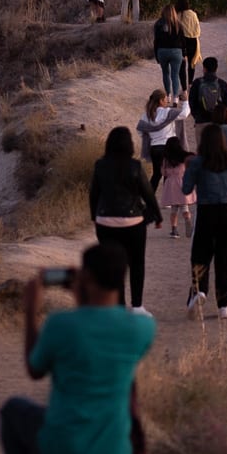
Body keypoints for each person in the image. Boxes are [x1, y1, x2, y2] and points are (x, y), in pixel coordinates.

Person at [0, 242, 156, 454]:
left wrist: (31, 312)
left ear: (87, 278)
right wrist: (85, 297)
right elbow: (100, 334)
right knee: (123, 429)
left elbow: (34, 369)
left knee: (12, 411)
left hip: (61, 452)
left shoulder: (60, 325)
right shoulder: (143, 329)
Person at [89, 126, 162, 314]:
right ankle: (137, 306)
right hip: (133, 222)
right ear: (129, 144)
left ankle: (119, 306)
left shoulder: (100, 165)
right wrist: (158, 216)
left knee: (113, 265)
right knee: (136, 264)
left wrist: (94, 217)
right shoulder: (135, 166)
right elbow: (148, 193)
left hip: (105, 223)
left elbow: (94, 194)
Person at [182, 124, 227, 319]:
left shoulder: (198, 162)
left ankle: (200, 290)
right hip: (226, 212)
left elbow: (186, 189)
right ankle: (224, 304)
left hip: (205, 211)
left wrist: (188, 169)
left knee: (200, 253)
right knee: (225, 257)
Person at [136, 89, 188, 192]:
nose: (167, 102)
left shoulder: (146, 115)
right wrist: (185, 101)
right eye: (165, 99)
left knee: (156, 174)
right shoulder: (167, 112)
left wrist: (151, 136)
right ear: (160, 101)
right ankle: (167, 198)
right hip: (167, 147)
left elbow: (140, 131)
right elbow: (184, 114)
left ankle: (149, 199)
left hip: (154, 148)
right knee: (168, 173)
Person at [160, 137, 196, 238]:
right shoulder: (184, 157)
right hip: (182, 183)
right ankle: (188, 221)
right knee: (185, 207)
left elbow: (163, 172)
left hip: (171, 184)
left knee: (173, 210)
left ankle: (174, 230)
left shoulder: (166, 159)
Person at [188, 56, 227, 127]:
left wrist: (197, 117)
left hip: (201, 121)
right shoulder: (222, 84)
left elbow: (191, 102)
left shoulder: (197, 83)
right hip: (219, 123)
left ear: (204, 69)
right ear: (216, 69)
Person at [153, 4, 184, 100]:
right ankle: (175, 97)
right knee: (175, 74)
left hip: (162, 51)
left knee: (165, 73)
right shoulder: (179, 24)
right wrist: (184, 53)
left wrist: (156, 55)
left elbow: (156, 41)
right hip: (176, 51)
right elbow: (183, 41)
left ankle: (168, 95)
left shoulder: (158, 24)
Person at [175, 0, 201, 90]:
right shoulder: (193, 14)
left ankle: (184, 89)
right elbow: (198, 30)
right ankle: (190, 84)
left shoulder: (178, 15)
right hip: (194, 41)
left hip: (182, 42)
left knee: (182, 66)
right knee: (192, 64)